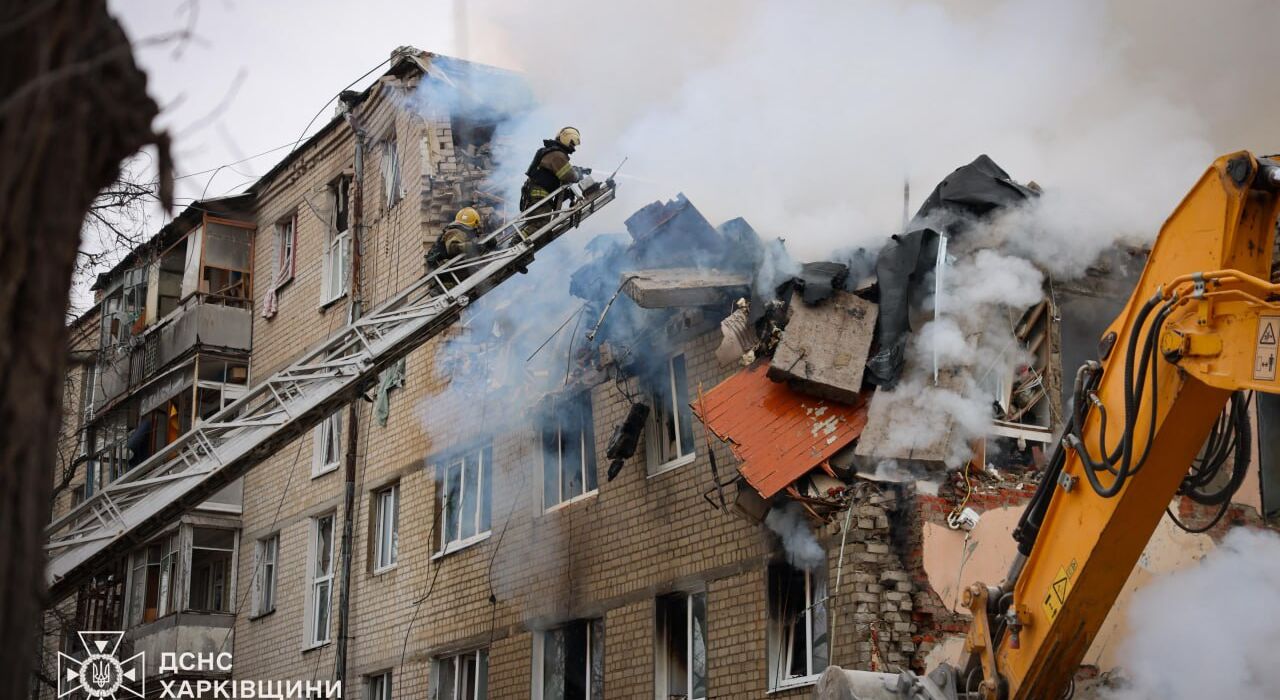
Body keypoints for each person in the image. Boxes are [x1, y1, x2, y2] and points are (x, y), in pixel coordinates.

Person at [519, 127, 584, 218]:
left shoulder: (554, 153)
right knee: (538, 226)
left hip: (537, 195)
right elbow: (568, 175)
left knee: (540, 226)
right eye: (572, 143)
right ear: (566, 139)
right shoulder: (557, 155)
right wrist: (578, 174)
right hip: (539, 196)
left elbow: (557, 174)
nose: (573, 147)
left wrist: (578, 169)